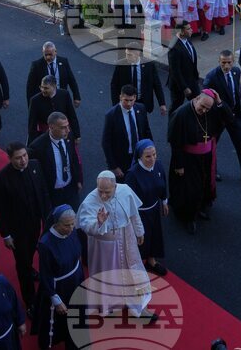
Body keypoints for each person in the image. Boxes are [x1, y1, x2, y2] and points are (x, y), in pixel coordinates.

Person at [77, 172, 154, 320]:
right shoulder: (90, 201)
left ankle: (138, 306)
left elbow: (133, 213)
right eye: (100, 191)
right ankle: (110, 305)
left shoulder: (125, 190)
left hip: (126, 239)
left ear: (115, 186)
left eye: (107, 192)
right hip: (104, 248)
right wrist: (99, 223)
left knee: (131, 272)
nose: (103, 195)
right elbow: (86, 226)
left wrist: (139, 231)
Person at [0, 142, 50, 310]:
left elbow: (43, 192)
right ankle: (30, 301)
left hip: (36, 223)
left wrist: (48, 219)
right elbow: (0, 210)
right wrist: (5, 235)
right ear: (9, 158)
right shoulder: (1, 179)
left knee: (31, 251)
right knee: (22, 264)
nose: (23, 160)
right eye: (18, 158)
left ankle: (29, 267)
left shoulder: (35, 165)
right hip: (18, 230)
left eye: (25, 155)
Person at [167, 91, 229, 234]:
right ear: (196, 99)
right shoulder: (181, 114)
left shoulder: (209, 110)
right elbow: (175, 142)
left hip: (206, 157)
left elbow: (228, 118)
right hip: (188, 159)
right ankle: (189, 218)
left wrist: (219, 102)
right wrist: (179, 165)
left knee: (204, 184)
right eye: (202, 106)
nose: (204, 111)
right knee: (191, 189)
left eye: (208, 108)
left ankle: (199, 208)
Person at [202, 50, 241, 186]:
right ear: (219, 62)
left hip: (234, 116)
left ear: (233, 62)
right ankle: (212, 170)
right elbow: (206, 98)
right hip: (218, 118)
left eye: (229, 62)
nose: (226, 66)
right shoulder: (211, 77)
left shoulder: (236, 71)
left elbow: (235, 93)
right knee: (212, 145)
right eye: (223, 63)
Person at [32, 206, 86, 349]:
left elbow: (77, 255)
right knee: (56, 322)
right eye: (66, 225)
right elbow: (45, 274)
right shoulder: (45, 244)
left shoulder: (72, 231)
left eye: (73, 224)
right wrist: (55, 300)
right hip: (59, 289)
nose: (71, 228)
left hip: (75, 282)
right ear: (56, 223)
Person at [124, 140, 169, 276]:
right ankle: (136, 265)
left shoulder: (158, 166)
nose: (152, 159)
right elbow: (128, 199)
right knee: (140, 239)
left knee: (154, 235)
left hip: (154, 209)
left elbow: (163, 184)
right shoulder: (132, 174)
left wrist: (164, 201)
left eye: (154, 154)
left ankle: (151, 260)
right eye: (148, 156)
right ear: (140, 157)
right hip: (140, 214)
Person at [29, 112, 84, 210]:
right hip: (53, 194)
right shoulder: (38, 147)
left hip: (71, 188)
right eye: (63, 127)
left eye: (68, 126)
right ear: (51, 127)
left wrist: (79, 180)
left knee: (75, 215)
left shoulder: (69, 136)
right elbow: (36, 175)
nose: (68, 130)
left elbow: (74, 158)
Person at [102, 84, 153, 180]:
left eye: (131, 100)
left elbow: (146, 131)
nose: (129, 104)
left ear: (135, 98)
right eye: (126, 100)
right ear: (120, 97)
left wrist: (151, 151)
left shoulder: (141, 108)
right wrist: (114, 166)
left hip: (140, 155)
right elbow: (106, 143)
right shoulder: (111, 115)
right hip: (122, 160)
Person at [109, 46, 167, 118]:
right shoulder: (121, 64)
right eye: (126, 54)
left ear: (137, 54)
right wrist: (116, 105)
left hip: (143, 103)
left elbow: (157, 84)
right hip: (127, 102)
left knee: (142, 123)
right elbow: (114, 85)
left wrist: (162, 103)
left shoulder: (149, 64)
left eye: (129, 55)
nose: (127, 57)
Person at [27, 75, 81, 145]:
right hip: (45, 136)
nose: (43, 90)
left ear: (54, 86)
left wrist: (77, 135)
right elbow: (32, 125)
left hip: (64, 133)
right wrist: (34, 143)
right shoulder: (35, 100)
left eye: (46, 88)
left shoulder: (64, 95)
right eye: (41, 87)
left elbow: (72, 116)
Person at [24, 41, 82, 106]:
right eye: (46, 55)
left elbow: (71, 80)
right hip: (44, 101)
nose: (48, 57)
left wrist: (76, 97)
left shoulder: (64, 62)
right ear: (43, 52)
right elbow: (30, 88)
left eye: (50, 54)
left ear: (55, 52)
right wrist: (31, 106)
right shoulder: (36, 65)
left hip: (61, 99)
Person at [166, 21, 200, 113]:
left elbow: (190, 59)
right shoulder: (174, 47)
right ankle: (173, 121)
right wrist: (184, 87)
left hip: (191, 80)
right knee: (176, 107)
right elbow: (175, 70)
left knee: (198, 102)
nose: (191, 30)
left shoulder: (187, 40)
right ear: (181, 31)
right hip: (179, 84)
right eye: (188, 29)